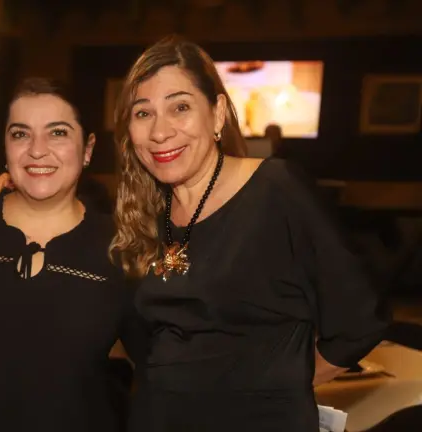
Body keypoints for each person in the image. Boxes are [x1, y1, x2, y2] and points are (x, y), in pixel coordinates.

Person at [106, 35, 386, 431]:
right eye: (143, 113)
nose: (160, 131)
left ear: (217, 113)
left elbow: (361, 318)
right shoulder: (143, 214)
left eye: (180, 107)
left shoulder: (276, 189)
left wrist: (278, 386)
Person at [0, 77, 144, 432]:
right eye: (20, 134)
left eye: (57, 133)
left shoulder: (122, 247)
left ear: (87, 149)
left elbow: (162, 370)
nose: (37, 150)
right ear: (5, 147)